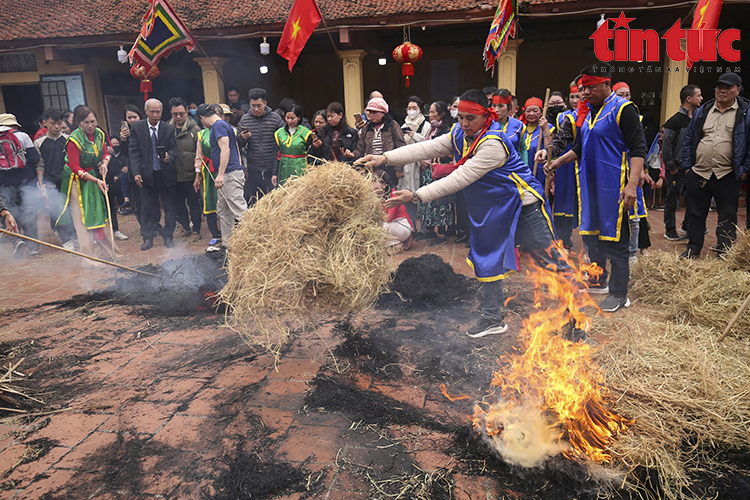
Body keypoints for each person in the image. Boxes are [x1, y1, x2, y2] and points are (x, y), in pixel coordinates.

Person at [358, 89, 566, 338]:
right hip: (492, 209)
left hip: (523, 206)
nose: (465, 124)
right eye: (461, 118)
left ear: (485, 116)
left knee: (550, 260)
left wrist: (416, 195)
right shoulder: (459, 134)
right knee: (487, 258)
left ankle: (574, 317)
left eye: (471, 118)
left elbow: (460, 178)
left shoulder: (493, 143)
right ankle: (492, 318)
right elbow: (426, 148)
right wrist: (383, 158)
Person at [548, 63, 647, 313]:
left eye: (590, 88)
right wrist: (558, 161)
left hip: (614, 185)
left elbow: (637, 149)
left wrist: (632, 185)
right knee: (591, 238)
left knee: (616, 241)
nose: (585, 93)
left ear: (606, 85)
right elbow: (580, 147)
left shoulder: (623, 109)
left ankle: (619, 293)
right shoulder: (589, 112)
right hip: (589, 186)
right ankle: (598, 280)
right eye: (582, 89)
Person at [681, 72, 750, 258]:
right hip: (699, 173)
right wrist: (688, 168)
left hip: (727, 174)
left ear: (738, 90)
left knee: (727, 215)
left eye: (728, 87)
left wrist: (743, 171)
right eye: (720, 87)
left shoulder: (745, 113)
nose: (723, 90)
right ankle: (693, 248)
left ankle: (724, 250)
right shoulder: (703, 110)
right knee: (695, 214)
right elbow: (689, 139)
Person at [57, 107, 118, 266]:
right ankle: (89, 258)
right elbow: (75, 167)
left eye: (93, 121)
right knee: (82, 219)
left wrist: (104, 163)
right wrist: (95, 180)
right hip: (77, 181)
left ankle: (108, 251)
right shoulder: (74, 140)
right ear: (79, 122)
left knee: (100, 213)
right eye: (86, 122)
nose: (91, 125)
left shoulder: (99, 134)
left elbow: (105, 153)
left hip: (94, 177)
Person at [128, 98, 179, 250]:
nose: (155, 115)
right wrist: (136, 172)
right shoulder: (137, 127)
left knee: (170, 207)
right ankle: (148, 237)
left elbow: (175, 149)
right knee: (147, 207)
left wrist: (169, 156)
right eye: (152, 112)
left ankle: (168, 236)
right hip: (146, 174)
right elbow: (134, 151)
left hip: (165, 174)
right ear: (146, 111)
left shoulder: (168, 128)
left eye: (158, 112)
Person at [196, 103, 247, 248]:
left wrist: (220, 174)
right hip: (227, 175)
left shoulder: (218, 126)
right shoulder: (222, 125)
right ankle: (228, 244)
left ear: (202, 118)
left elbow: (225, 150)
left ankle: (256, 243)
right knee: (224, 211)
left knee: (240, 210)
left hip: (230, 174)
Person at [662, 84, 703, 241]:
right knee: (672, 199)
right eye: (698, 95)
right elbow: (666, 146)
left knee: (693, 198)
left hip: (692, 169)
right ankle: (670, 229)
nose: (701, 98)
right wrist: (671, 166)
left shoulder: (696, 120)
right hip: (677, 169)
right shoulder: (674, 121)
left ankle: (687, 225)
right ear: (689, 98)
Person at [34, 109, 77, 250]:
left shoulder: (68, 139)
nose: (57, 127)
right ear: (45, 123)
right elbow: (40, 164)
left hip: (69, 181)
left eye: (59, 123)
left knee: (74, 209)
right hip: (51, 183)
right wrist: (41, 184)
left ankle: (76, 237)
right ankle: (66, 239)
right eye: (53, 123)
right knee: (58, 211)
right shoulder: (40, 143)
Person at [0, 113, 41, 257]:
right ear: (15, 125)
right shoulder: (22, 136)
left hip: (4, 183)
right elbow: (35, 158)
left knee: (9, 213)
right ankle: (33, 246)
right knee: (29, 211)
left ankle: (16, 242)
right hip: (25, 180)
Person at [417, 101, 454, 246]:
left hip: (439, 173)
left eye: (433, 112)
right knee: (428, 202)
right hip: (427, 171)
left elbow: (447, 152)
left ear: (442, 114)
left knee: (441, 204)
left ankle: (441, 234)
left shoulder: (446, 131)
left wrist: (433, 160)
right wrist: (422, 160)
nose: (430, 115)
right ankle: (430, 232)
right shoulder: (431, 130)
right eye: (430, 112)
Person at [238, 88, 284, 205]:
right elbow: (238, 143)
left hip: (272, 166)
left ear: (265, 103)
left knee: (274, 200)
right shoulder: (245, 119)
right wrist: (243, 138)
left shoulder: (275, 119)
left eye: (259, 105)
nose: (256, 109)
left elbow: (283, 142)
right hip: (254, 167)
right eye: (253, 106)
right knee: (255, 201)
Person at [351, 97, 406, 187]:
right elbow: (360, 149)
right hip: (371, 168)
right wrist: (352, 154)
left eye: (375, 112)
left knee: (388, 191)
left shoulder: (392, 126)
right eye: (370, 112)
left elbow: (401, 147)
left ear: (383, 113)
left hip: (389, 167)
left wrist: (399, 169)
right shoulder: (367, 128)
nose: (371, 115)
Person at [168, 97, 202, 240]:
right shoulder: (167, 129)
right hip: (174, 174)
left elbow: (200, 154)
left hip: (190, 174)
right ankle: (185, 227)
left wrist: (197, 176)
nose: (179, 117)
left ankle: (196, 230)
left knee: (194, 202)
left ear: (187, 111)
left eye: (181, 113)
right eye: (175, 114)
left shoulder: (195, 129)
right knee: (178, 204)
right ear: (171, 113)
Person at [194, 105, 222, 251]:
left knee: (224, 201)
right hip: (208, 173)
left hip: (222, 171)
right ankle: (215, 234)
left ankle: (227, 232)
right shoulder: (201, 134)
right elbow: (199, 156)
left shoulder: (223, 131)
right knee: (209, 200)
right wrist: (197, 175)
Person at [400, 96, 431, 231]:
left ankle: (424, 229)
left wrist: (414, 135)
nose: (411, 111)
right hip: (407, 166)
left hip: (420, 165)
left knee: (421, 196)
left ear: (420, 109)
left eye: (415, 108)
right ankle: (411, 227)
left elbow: (428, 143)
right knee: (407, 196)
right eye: (409, 108)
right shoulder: (403, 125)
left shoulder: (426, 125)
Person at [373, 169, 413, 252]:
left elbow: (388, 218)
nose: (371, 184)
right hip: (391, 225)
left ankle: (396, 244)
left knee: (380, 228)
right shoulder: (376, 197)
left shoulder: (394, 195)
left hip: (401, 225)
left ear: (384, 185)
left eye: (374, 181)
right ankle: (395, 244)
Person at [274, 103, 313, 186]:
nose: (290, 121)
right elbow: (276, 154)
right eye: (287, 118)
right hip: (284, 167)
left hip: (300, 166)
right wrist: (274, 173)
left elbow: (310, 153)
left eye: (293, 118)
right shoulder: (279, 133)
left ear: (299, 117)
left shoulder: (305, 133)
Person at [119, 104, 145, 219]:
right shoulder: (125, 133)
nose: (132, 120)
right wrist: (124, 140)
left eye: (135, 117)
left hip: (147, 168)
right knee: (138, 198)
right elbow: (125, 154)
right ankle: (144, 225)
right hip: (134, 170)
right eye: (129, 118)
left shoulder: (145, 129)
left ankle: (155, 223)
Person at [521, 97, 553, 189]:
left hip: (540, 172)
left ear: (542, 111)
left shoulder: (548, 127)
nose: (531, 114)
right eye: (528, 111)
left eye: (535, 111)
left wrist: (546, 129)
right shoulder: (519, 127)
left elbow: (550, 149)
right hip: (522, 172)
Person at [105, 136, 128, 241]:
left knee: (111, 208)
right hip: (93, 180)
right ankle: (98, 235)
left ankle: (115, 230)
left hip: (108, 183)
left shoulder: (111, 156)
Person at [491, 89, 525, 157]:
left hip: (513, 165)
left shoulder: (518, 125)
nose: (496, 110)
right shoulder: (487, 125)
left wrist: (525, 166)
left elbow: (522, 149)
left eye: (501, 106)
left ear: (509, 107)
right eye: (494, 106)